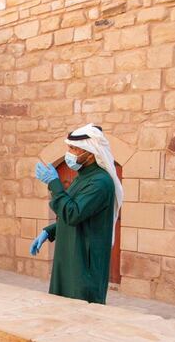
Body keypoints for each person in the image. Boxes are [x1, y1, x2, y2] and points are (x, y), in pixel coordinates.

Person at [30, 124, 124, 304]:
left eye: (73, 148)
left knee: (80, 314)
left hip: (83, 263)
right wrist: (49, 231)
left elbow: (74, 213)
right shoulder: (84, 176)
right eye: (69, 148)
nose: (69, 153)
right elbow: (80, 214)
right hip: (68, 256)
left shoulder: (100, 182)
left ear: (89, 152)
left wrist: (54, 184)